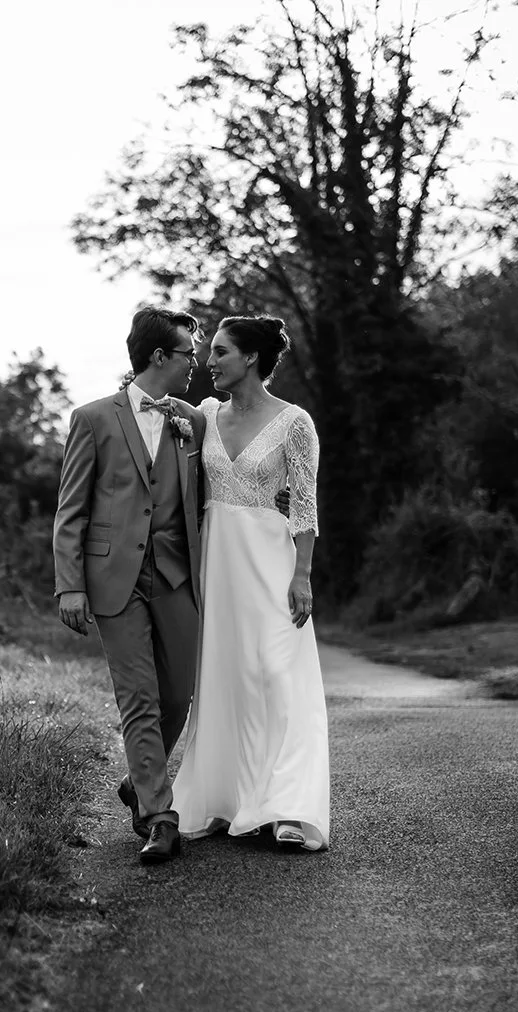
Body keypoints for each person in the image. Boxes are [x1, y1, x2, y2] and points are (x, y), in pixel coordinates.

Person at [171, 314, 330, 852]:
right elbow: (164, 420)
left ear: (251, 359)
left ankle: (287, 806)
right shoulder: (207, 415)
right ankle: (226, 799)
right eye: (209, 351)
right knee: (225, 675)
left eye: (219, 352)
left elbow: (305, 505)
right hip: (217, 562)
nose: (208, 361)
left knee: (277, 674)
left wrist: (302, 575)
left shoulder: (295, 423)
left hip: (271, 559)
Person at [53, 307, 206, 864]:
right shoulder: (92, 418)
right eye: (189, 352)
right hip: (112, 578)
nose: (197, 362)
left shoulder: (193, 421)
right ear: (159, 356)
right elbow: (71, 509)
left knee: (177, 694)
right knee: (138, 699)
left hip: (175, 573)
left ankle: (138, 781)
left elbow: (220, 488)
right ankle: (159, 816)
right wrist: (70, 585)